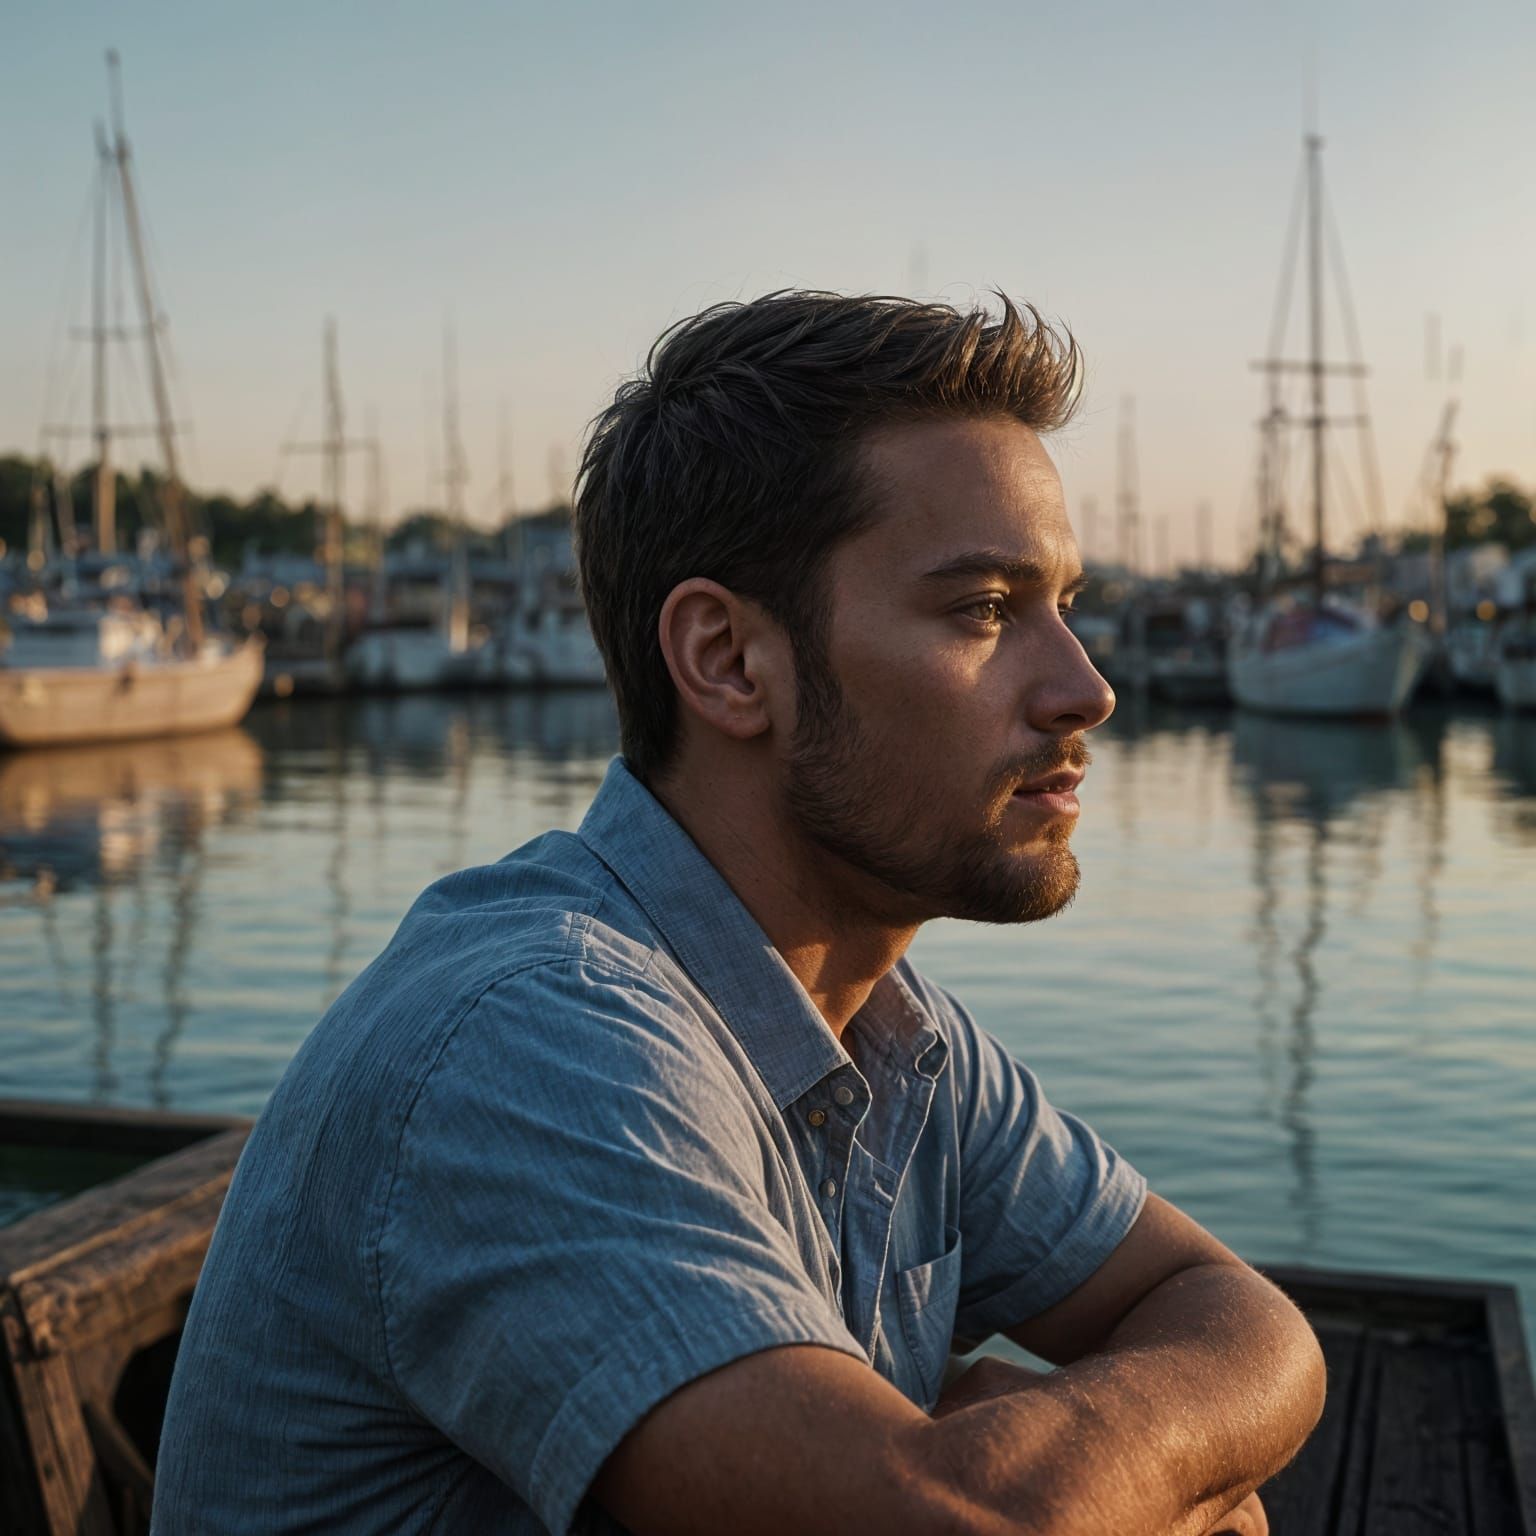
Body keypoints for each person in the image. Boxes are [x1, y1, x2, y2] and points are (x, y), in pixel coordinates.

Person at [153, 292, 1324, 1536]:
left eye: (1066, 607)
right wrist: (1059, 1471)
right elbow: (959, 1523)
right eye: (984, 609)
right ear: (726, 660)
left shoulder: (893, 1037)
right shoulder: (530, 1042)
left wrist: (1074, 1459)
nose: (1083, 689)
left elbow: (1247, 1322)